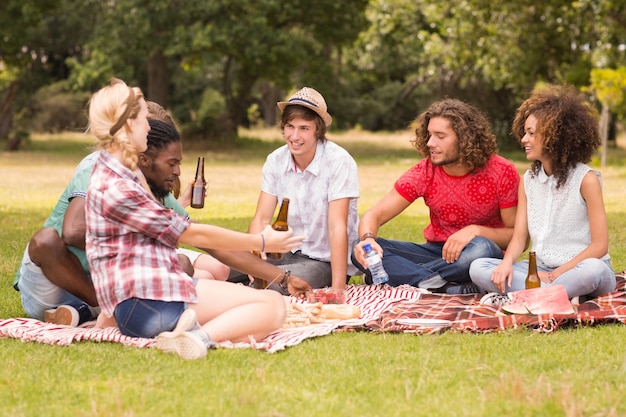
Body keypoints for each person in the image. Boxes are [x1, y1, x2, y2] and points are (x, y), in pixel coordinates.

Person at [85, 78, 305, 360]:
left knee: (253, 321)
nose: (149, 126)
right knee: (273, 307)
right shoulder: (117, 185)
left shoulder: (118, 170)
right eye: (142, 119)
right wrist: (261, 239)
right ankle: (195, 337)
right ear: (128, 124)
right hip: (150, 304)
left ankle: (196, 331)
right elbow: (191, 234)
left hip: (149, 299)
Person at [352, 98, 520, 294]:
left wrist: (475, 231)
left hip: (478, 255)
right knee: (362, 250)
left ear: (465, 138)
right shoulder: (424, 172)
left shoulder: (502, 171)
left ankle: (400, 278)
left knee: (480, 248)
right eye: (430, 135)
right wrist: (368, 239)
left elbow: (515, 236)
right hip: (437, 254)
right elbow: (374, 215)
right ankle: (443, 286)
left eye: (440, 136)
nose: (431, 143)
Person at [469, 84, 615, 303]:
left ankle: (527, 296)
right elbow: (519, 238)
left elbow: (599, 246)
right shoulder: (528, 181)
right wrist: (507, 263)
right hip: (538, 270)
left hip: (581, 268)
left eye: (531, 133)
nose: (523, 140)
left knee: (593, 271)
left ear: (555, 136)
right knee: (479, 267)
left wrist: (558, 273)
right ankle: (558, 296)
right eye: (524, 132)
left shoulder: (587, 179)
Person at [236, 87, 359, 294]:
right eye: (290, 126)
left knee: (274, 285)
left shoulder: (339, 161)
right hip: (284, 251)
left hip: (323, 260)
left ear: (317, 130)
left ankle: (241, 298)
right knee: (221, 265)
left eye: (304, 128)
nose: (294, 136)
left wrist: (338, 289)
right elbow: (261, 219)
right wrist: (254, 258)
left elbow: (337, 227)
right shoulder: (275, 160)